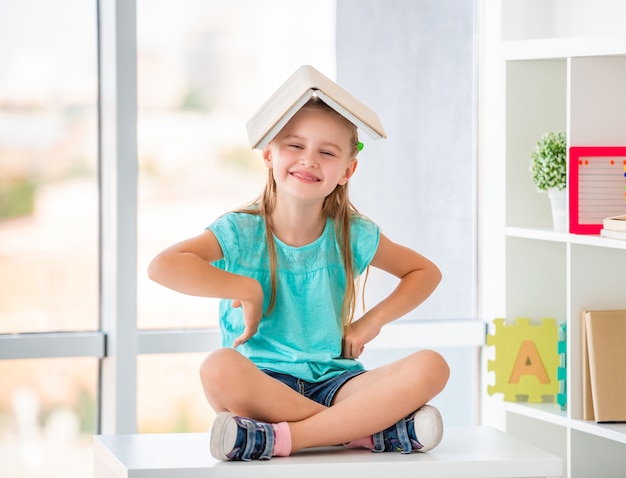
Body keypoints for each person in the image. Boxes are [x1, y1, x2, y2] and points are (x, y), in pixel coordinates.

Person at [148, 90, 450, 462]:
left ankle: (282, 439)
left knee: (431, 366)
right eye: (295, 145)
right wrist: (246, 288)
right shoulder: (241, 230)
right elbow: (162, 265)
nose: (309, 159)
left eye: (327, 152)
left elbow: (424, 272)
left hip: (338, 383)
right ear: (269, 155)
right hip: (264, 385)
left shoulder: (352, 233)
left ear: (347, 171)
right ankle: (363, 433)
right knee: (218, 367)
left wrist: (371, 322)